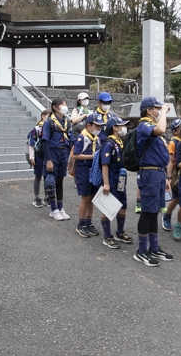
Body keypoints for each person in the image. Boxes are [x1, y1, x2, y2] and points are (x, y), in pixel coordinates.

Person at [133, 96, 174, 267]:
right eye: (156, 108)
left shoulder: (151, 125)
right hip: (148, 174)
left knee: (154, 211)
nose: (159, 110)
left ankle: (154, 247)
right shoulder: (144, 125)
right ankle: (142, 250)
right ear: (149, 111)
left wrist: (165, 176)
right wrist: (164, 112)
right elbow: (161, 129)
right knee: (147, 211)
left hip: (157, 173)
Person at [99, 116, 134, 249]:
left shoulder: (120, 142)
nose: (124, 128)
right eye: (122, 125)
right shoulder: (109, 144)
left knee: (122, 206)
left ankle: (120, 232)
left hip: (121, 181)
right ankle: (107, 236)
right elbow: (105, 165)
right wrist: (106, 183)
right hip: (111, 181)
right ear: (114, 127)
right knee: (107, 208)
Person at [73, 114, 104, 238]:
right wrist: (93, 156)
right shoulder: (82, 137)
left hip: (94, 169)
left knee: (92, 198)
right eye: (97, 126)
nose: (99, 128)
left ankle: (89, 222)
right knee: (85, 198)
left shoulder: (97, 138)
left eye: (101, 126)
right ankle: (81, 224)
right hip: (84, 169)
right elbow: (76, 155)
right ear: (88, 125)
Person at [42, 98, 73, 221]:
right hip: (52, 152)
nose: (64, 107)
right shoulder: (49, 122)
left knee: (60, 181)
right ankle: (53, 209)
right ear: (55, 107)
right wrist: (48, 160)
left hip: (63, 152)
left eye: (65, 104)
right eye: (62, 105)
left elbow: (70, 139)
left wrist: (70, 156)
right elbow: (45, 142)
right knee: (50, 182)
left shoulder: (67, 121)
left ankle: (60, 208)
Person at [162, 119, 181, 232]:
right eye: (180, 127)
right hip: (177, 173)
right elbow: (170, 161)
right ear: (175, 131)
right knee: (176, 198)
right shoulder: (174, 142)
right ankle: (167, 216)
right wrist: (169, 177)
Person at [29, 109, 52, 207]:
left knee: (47, 177)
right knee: (38, 176)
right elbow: (31, 144)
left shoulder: (51, 127)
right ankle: (37, 198)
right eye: (48, 116)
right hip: (38, 156)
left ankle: (47, 197)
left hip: (47, 156)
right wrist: (31, 157)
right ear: (43, 116)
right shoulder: (37, 129)